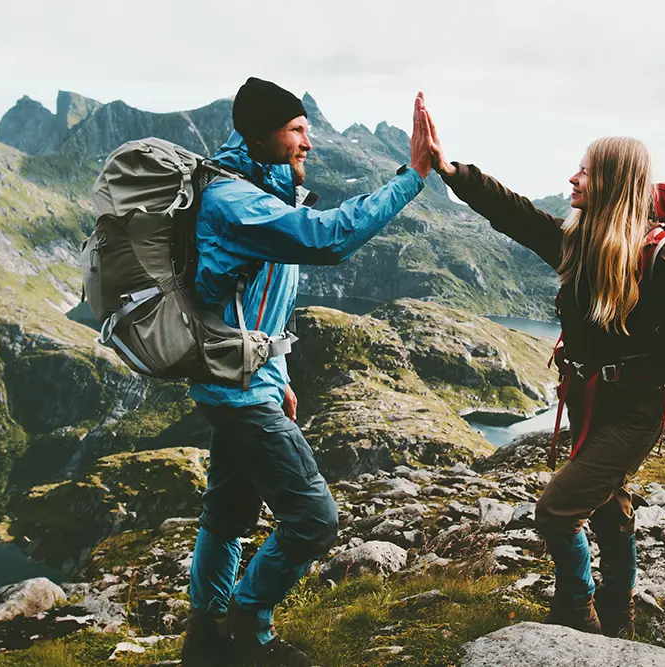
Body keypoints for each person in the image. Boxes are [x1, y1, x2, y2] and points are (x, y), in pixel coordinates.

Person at [423, 103, 665, 639]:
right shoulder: (581, 243)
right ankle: (619, 618)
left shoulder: (659, 257)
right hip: (589, 402)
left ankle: (576, 612)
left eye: (585, 170)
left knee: (558, 512)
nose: (572, 178)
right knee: (607, 510)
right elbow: (513, 213)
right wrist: (452, 171)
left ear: (614, 182)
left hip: (635, 412)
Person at [182, 78, 433, 667]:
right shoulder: (234, 201)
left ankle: (205, 634)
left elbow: (264, 302)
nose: (308, 142)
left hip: (245, 381)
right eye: (296, 129)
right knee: (315, 521)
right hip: (238, 392)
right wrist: (411, 177)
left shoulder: (263, 193)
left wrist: (282, 374)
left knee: (227, 516)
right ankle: (248, 626)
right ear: (260, 134)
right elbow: (328, 240)